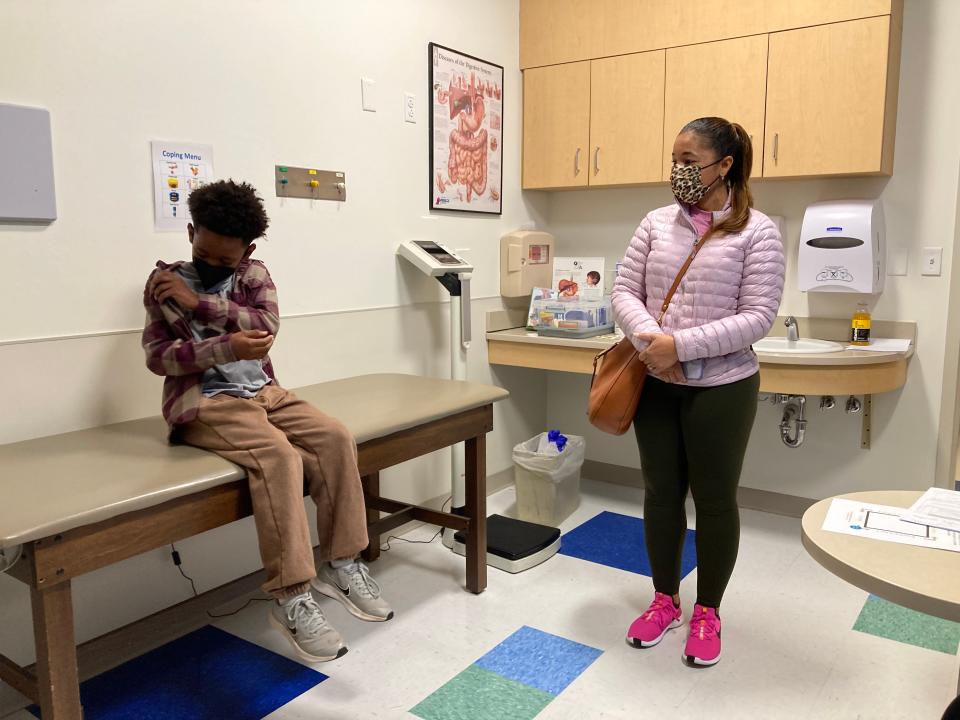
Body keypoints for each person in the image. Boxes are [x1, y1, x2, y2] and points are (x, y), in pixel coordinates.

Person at [142, 179, 392, 664]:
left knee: (336, 436)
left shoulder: (254, 274)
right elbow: (158, 358)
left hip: (264, 392)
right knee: (279, 456)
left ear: (247, 250)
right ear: (191, 232)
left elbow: (267, 328)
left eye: (224, 260)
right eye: (203, 252)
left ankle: (343, 563)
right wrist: (223, 346)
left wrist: (202, 307)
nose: (211, 266)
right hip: (204, 402)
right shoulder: (164, 285)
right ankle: (291, 597)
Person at [611, 117, 785, 667]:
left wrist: (679, 346)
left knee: (713, 501)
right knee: (660, 494)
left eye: (690, 161)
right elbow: (624, 289)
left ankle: (708, 610)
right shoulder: (656, 223)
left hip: (723, 387)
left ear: (724, 165)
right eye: (675, 159)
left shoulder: (758, 231)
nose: (679, 171)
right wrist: (649, 342)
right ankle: (665, 599)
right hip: (655, 382)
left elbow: (759, 316)